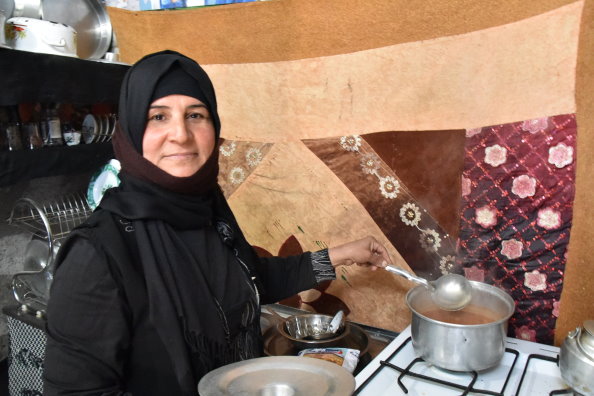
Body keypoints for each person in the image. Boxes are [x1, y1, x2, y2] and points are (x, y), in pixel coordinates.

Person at [43, 50, 393, 395]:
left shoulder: (209, 209)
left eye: (195, 115)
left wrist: (341, 254)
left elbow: (249, 280)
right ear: (132, 129)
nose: (180, 134)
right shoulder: (97, 254)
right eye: (158, 117)